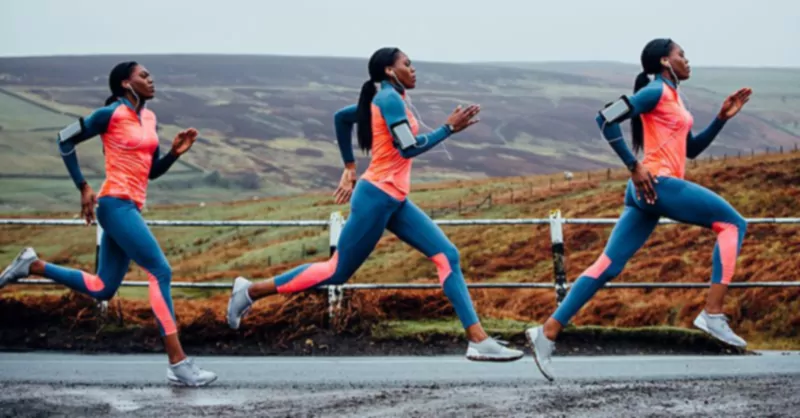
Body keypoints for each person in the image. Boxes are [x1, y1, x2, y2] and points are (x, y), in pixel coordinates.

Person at [226, 47, 524, 362]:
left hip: (393, 198)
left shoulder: (386, 99)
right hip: (376, 197)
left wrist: (350, 167)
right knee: (335, 272)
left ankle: (477, 339)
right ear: (389, 71)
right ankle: (249, 291)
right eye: (407, 64)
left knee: (447, 255)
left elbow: (341, 118)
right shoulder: (387, 99)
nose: (414, 69)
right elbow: (408, 148)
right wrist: (448, 129)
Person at [525, 38, 753, 381]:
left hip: (647, 191)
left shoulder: (674, 97)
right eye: (682, 55)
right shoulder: (656, 91)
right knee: (732, 224)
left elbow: (690, 150)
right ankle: (713, 313)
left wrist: (721, 118)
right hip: (656, 184)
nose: (687, 60)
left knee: (607, 265)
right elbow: (604, 119)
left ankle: (548, 331)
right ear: (665, 61)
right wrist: (633, 165)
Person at [0, 61, 217, 387]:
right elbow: (64, 139)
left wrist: (173, 153)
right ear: (125, 84)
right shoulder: (109, 115)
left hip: (131, 206)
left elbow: (150, 173)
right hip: (115, 204)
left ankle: (33, 265)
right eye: (143, 75)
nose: (151, 78)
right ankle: (178, 363)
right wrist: (83, 187)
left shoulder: (149, 118)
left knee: (104, 288)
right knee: (161, 272)